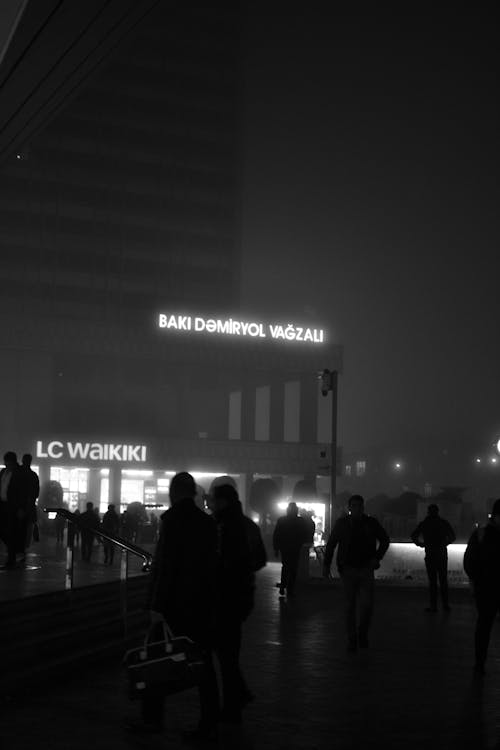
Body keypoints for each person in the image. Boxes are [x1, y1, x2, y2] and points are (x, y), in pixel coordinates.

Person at [138, 472, 219, 741]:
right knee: (203, 663)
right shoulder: (207, 524)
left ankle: (152, 718)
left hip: (174, 603)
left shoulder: (171, 521)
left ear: (174, 493)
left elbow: (166, 566)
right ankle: (209, 721)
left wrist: (156, 603)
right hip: (201, 602)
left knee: (157, 660)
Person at [212, 482, 264, 723]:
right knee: (228, 651)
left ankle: (234, 703)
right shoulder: (248, 525)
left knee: (225, 653)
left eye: (213, 499)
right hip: (242, 595)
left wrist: (231, 572)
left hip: (225, 596)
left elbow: (219, 561)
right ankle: (239, 694)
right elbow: (261, 558)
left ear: (222, 501)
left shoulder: (222, 526)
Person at [322, 494, 390, 651]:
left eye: (359, 506)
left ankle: (361, 633)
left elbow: (385, 540)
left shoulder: (370, 523)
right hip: (348, 569)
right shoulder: (342, 524)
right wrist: (326, 564)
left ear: (362, 507)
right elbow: (331, 543)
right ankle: (353, 637)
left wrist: (376, 557)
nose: (357, 509)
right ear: (350, 507)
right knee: (349, 606)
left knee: (366, 606)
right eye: (354, 506)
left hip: (365, 568)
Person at [463, 498, 500, 674]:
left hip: (485, 589)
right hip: (487, 588)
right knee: (484, 626)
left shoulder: (480, 534)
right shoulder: (482, 534)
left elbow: (469, 561)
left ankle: (480, 663)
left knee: (484, 626)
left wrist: (477, 581)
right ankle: (479, 663)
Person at [411, 503, 456, 612]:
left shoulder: (425, 524)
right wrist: (445, 543)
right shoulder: (443, 523)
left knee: (432, 582)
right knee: (443, 581)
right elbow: (453, 537)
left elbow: (413, 536)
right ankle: (445, 605)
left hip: (430, 554)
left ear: (428, 512)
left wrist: (421, 544)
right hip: (442, 555)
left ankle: (433, 606)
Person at [273, 502, 309, 597]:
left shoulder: (282, 520)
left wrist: (276, 548)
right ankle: (290, 589)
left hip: (285, 547)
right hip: (295, 547)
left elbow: (276, 534)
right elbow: (304, 533)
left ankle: (283, 585)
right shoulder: (300, 521)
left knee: (285, 566)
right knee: (293, 568)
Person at [0, 451, 27, 569]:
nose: (6, 464)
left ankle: (11, 558)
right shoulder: (3, 472)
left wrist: (21, 508)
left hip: (13, 507)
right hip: (2, 505)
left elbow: (23, 492)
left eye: (7, 462)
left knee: (11, 532)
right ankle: (15, 550)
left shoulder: (19, 473)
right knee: (4, 531)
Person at [20, 453, 40, 556]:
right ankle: (22, 551)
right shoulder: (33, 476)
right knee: (25, 533)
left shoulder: (17, 473)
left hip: (16, 508)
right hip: (29, 509)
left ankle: (17, 552)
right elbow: (35, 494)